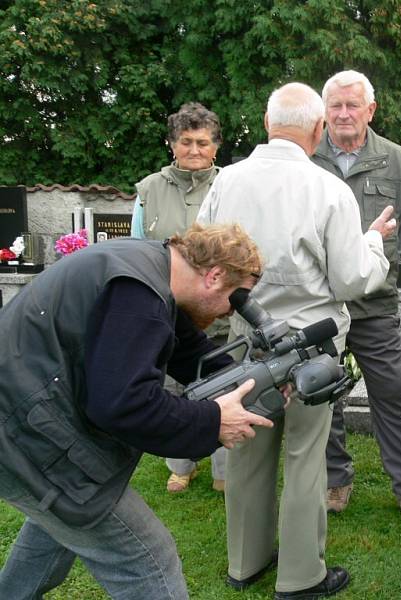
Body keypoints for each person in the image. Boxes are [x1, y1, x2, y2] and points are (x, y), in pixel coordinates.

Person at [0, 223, 273, 599]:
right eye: (236, 298)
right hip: (25, 437)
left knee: (55, 528)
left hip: (22, 423)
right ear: (214, 276)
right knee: (147, 560)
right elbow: (123, 406)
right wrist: (214, 422)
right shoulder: (138, 297)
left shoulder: (150, 267)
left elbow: (186, 349)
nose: (231, 312)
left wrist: (259, 380)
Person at [197, 82, 394, 598]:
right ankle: (302, 576)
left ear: (267, 123)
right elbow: (352, 279)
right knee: (306, 458)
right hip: (310, 347)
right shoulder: (328, 189)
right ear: (317, 129)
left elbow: (203, 258)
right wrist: (374, 242)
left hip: (248, 340)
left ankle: (246, 562)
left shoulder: (225, 183)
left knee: (246, 450)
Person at [311, 70, 401, 529]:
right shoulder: (307, 156)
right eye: (335, 106)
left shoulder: (398, 161)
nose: (343, 114)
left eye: (352, 105)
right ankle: (335, 479)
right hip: (320, 305)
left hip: (374, 304)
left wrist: (369, 268)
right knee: (323, 395)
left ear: (370, 110)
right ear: (324, 112)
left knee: (393, 395)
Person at [132, 101, 228, 493]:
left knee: (224, 383)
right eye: (185, 141)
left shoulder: (230, 184)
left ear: (215, 147)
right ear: (172, 144)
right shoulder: (149, 189)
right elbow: (138, 247)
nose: (194, 150)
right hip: (167, 311)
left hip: (218, 309)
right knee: (173, 389)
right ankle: (180, 464)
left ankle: (225, 468)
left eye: (202, 142)